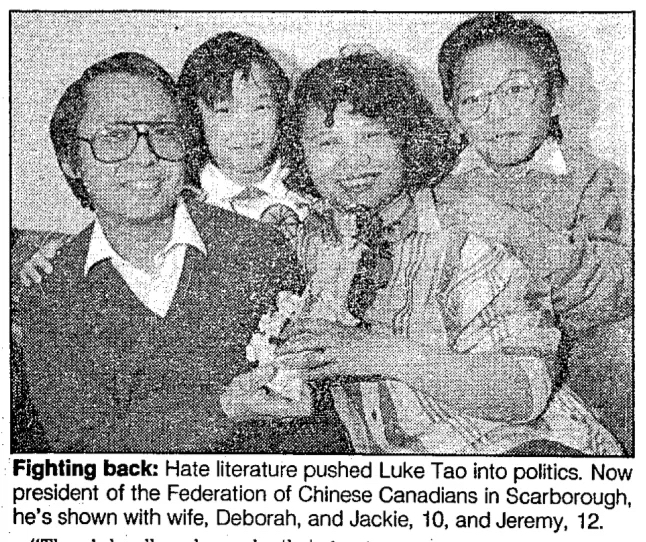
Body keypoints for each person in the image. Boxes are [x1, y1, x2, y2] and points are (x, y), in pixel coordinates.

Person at [257, 50, 621, 455]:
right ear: (303, 159)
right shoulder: (320, 242)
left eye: (372, 136)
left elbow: (526, 391)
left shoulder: (468, 229)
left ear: (408, 141)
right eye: (326, 143)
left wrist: (378, 353)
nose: (351, 161)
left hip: (526, 454)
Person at [13, 52, 350, 453]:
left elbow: (314, 423)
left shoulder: (263, 247)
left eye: (163, 132)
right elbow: (79, 445)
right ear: (72, 162)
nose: (144, 156)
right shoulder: (50, 287)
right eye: (113, 137)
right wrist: (221, 409)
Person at [434, 13, 632, 452]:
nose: (498, 114)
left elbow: (616, 294)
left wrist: (512, 228)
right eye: (473, 99)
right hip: (457, 374)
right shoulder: (439, 188)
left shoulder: (593, 180)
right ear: (454, 114)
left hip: (562, 373)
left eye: (517, 90)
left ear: (557, 96)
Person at [19, 32, 308, 286]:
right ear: (196, 121)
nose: (245, 128)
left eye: (261, 107)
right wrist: (59, 252)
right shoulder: (178, 196)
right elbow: (120, 230)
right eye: (224, 111)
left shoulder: (310, 187)